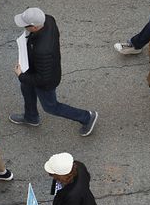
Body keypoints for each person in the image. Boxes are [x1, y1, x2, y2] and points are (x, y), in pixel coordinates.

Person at [11, 8, 99, 136]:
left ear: (34, 27)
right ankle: (31, 117)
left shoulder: (42, 51)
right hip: (33, 68)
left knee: (51, 107)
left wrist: (21, 75)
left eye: (25, 25)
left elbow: (43, 79)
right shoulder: (48, 20)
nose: (24, 27)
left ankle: (87, 117)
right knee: (26, 88)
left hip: (45, 80)